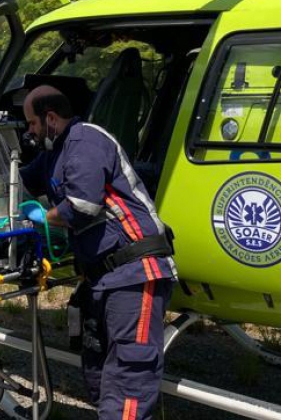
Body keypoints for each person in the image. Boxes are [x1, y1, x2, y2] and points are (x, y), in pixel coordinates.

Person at [19, 85, 177, 420]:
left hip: (135, 270)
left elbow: (81, 206)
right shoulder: (54, 153)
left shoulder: (85, 140)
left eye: (32, 124)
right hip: (101, 275)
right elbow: (18, 181)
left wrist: (43, 217)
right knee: (97, 367)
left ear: (50, 118)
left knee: (129, 370)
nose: (29, 132)